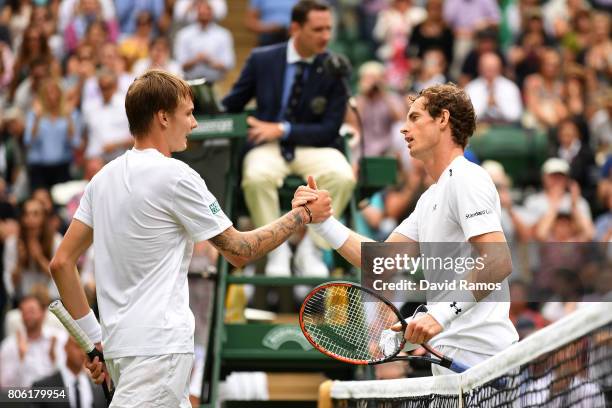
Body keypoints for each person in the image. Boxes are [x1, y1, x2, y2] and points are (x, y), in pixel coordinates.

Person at [49, 69, 330, 407]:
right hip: (159, 352)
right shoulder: (178, 176)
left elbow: (62, 263)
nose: (194, 123)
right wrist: (302, 215)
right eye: (188, 113)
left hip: (128, 352)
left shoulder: (101, 179)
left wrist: (94, 341)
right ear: (163, 117)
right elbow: (240, 251)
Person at [293, 83, 518, 374]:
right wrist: (323, 223)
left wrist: (439, 315)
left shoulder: (466, 177)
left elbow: (498, 260)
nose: (403, 129)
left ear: (443, 120)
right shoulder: (430, 199)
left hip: (485, 361)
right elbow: (379, 261)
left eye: (414, 117)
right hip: (453, 365)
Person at [222, 0, 356, 277]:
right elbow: (232, 104)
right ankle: (276, 250)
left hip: (314, 146)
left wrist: (283, 129)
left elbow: (331, 128)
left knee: (343, 176)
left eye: (329, 29)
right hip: (268, 148)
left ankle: (314, 248)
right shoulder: (262, 59)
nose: (325, 36)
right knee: (256, 176)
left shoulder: (335, 66)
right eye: (318, 29)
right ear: (295, 28)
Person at [31, 336, 107, 408]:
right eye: (77, 346)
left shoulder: (98, 388)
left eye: (85, 348)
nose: (82, 352)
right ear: (66, 347)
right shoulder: (42, 387)